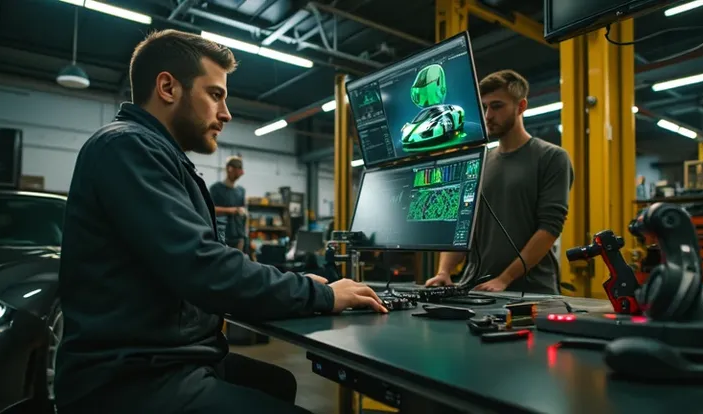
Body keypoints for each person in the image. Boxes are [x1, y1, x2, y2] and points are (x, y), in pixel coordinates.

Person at [54, 29, 387, 414]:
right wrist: (322, 295)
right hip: (127, 381)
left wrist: (294, 283)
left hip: (166, 358)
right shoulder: (127, 147)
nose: (226, 113)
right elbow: (203, 267)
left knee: (279, 381)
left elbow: (204, 261)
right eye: (215, 95)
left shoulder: (157, 154)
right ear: (168, 87)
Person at [426, 69, 574, 294]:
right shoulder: (478, 162)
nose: (488, 115)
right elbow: (462, 225)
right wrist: (444, 271)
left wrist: (504, 279)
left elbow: (550, 227)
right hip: (476, 287)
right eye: (484, 107)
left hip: (531, 291)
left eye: (496, 106)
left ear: (521, 106)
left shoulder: (551, 157)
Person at [210, 155, 249, 252]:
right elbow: (209, 209)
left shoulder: (241, 191)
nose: (242, 173)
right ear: (229, 169)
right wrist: (232, 211)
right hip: (221, 236)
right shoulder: (215, 189)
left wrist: (245, 235)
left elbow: (244, 214)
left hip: (238, 236)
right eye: (238, 168)